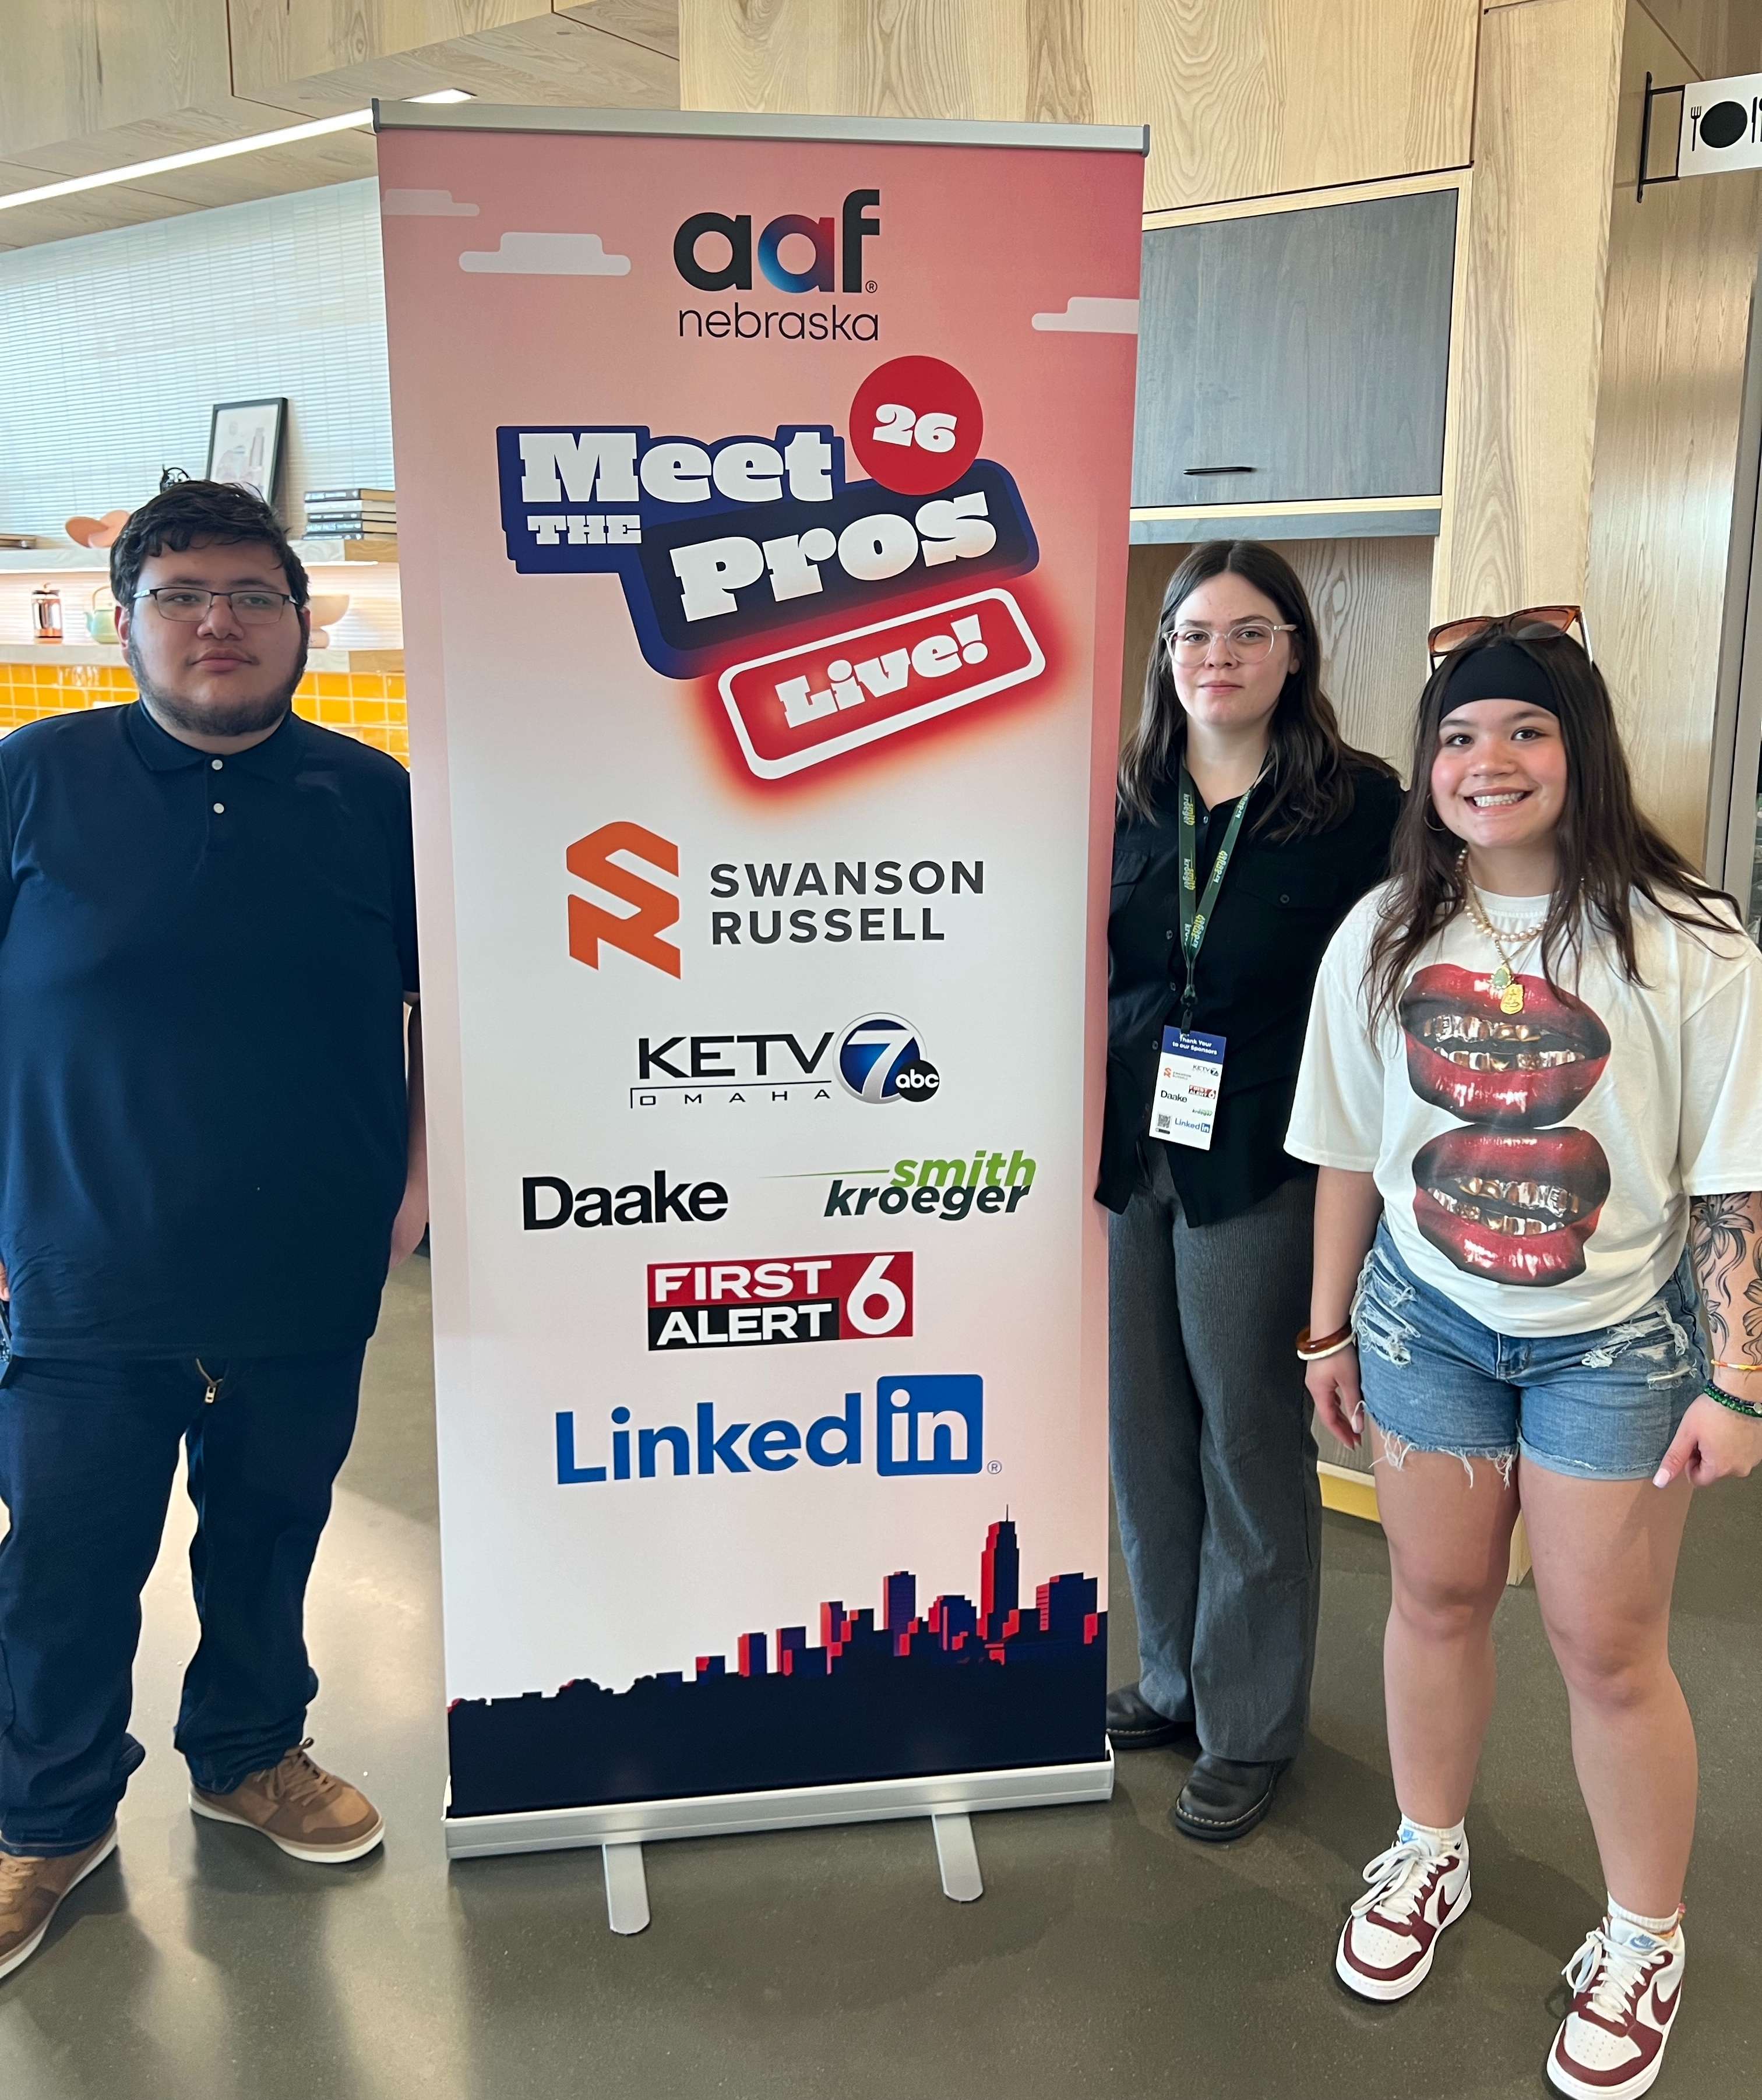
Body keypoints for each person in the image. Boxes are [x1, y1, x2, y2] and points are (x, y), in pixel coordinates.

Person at [1288, 610, 1762, 2098]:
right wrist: (1322, 1330)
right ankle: (1428, 1851)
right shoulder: (1382, 935)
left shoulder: (1689, 939)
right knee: (1431, 1598)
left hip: (1615, 1345)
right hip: (1424, 1323)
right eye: (1458, 738)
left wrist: (1739, 1378)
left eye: (1525, 731)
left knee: (1605, 1648)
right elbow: (1350, 1157)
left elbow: (1738, 1179)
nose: (1487, 762)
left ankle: (1644, 1933)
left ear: (1582, 750)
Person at [0, 478, 427, 1982]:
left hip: (305, 1269)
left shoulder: (372, 795)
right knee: (63, 1562)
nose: (218, 622)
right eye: (181, 592)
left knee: (268, 1536)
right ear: (123, 621)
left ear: (304, 622)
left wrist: (419, 1175)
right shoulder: (32, 778)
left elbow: (446, 999)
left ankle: (249, 1750)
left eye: (252, 594)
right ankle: (46, 1818)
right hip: (75, 1267)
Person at [1101, 541, 1402, 1840]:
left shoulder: (1360, 807)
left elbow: (1392, 991)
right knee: (1144, 1429)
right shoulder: (1122, 794)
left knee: (1247, 1442)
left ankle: (1249, 1720)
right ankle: (1168, 1675)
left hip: (1266, 1163)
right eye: (1191, 636)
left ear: (1294, 650)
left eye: (1245, 634)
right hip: (1131, 1154)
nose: (1214, 659)